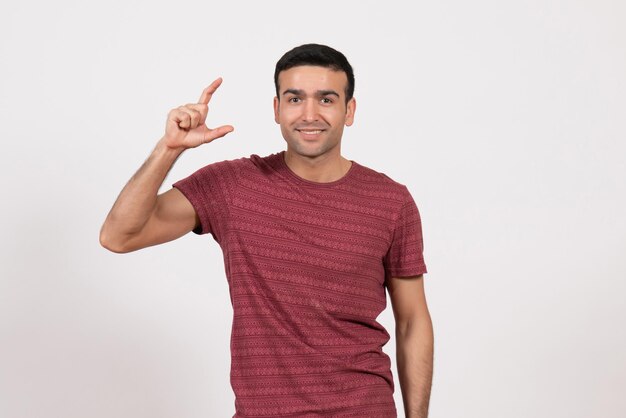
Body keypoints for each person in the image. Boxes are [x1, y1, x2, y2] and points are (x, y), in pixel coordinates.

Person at [100, 43, 433, 418]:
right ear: (276, 109)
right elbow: (119, 235)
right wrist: (169, 148)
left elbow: (412, 321)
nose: (309, 114)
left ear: (349, 110)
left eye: (326, 99)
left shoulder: (390, 201)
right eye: (294, 99)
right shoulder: (233, 187)